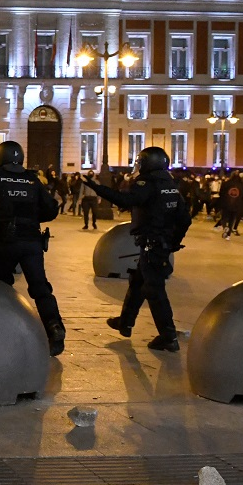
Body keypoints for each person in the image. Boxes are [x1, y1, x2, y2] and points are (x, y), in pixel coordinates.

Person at [0, 140, 66, 356]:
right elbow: (51, 209)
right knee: (40, 287)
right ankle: (54, 327)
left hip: (7, 240)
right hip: (32, 241)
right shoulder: (32, 179)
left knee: (1, 283)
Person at [85, 148, 191, 351]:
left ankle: (168, 336)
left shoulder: (148, 183)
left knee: (154, 290)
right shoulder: (170, 185)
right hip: (160, 244)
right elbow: (185, 218)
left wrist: (99, 189)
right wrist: (174, 241)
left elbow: (127, 200)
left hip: (153, 244)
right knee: (138, 282)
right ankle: (125, 322)